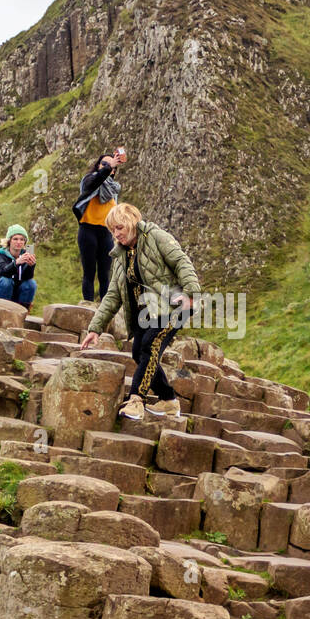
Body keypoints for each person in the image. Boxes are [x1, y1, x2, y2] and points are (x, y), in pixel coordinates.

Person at [80, 203, 201, 421]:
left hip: (174, 305)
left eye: (119, 228)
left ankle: (137, 400)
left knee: (149, 345)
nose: (116, 234)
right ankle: (169, 400)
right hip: (145, 314)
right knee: (138, 352)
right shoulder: (119, 256)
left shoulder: (156, 236)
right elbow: (112, 296)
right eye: (112, 230)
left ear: (131, 223)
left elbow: (182, 261)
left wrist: (191, 293)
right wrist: (95, 328)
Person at [74, 146, 124, 303]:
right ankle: (88, 304)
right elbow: (95, 182)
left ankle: (104, 307)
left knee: (105, 273)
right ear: (98, 166)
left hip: (105, 232)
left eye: (111, 165)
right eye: (104, 164)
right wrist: (108, 168)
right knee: (89, 272)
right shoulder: (89, 180)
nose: (107, 167)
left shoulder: (113, 190)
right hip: (87, 229)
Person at [0, 224, 37, 309]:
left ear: (25, 242)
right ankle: (1, 311)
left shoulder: (25, 255)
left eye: (22, 239)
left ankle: (22, 311)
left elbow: (27, 277)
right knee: (6, 281)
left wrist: (31, 265)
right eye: (15, 239)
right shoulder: (0, 255)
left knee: (31, 283)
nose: (19, 242)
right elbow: (2, 271)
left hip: (17, 296)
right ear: (9, 241)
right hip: (0, 295)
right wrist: (16, 263)